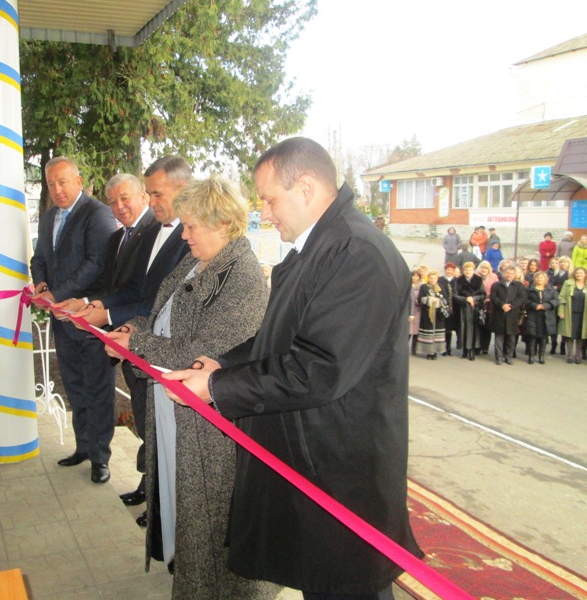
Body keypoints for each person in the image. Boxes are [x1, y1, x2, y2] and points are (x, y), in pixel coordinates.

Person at [163, 137, 422, 599]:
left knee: (346, 589)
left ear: (305, 188)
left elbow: (317, 368)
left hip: (340, 475)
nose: (264, 213)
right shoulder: (321, 246)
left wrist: (218, 387)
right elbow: (279, 338)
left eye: (269, 199)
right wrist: (224, 363)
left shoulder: (357, 253)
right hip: (314, 462)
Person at [105, 176, 274, 599]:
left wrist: (135, 346)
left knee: (211, 527)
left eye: (191, 226)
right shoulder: (197, 261)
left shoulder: (243, 278)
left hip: (209, 431)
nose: (184, 235)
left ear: (222, 223)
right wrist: (133, 329)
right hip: (176, 413)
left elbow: (201, 353)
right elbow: (161, 317)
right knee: (187, 513)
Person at [65, 158, 192, 513]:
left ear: (183, 189)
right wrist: (97, 305)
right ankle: (151, 489)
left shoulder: (193, 237)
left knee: (168, 433)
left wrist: (107, 315)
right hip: (136, 346)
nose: (151, 202)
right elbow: (134, 288)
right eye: (149, 193)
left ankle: (163, 506)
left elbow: (165, 300)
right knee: (146, 422)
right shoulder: (149, 232)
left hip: (168, 353)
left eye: (156, 193)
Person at [30, 157, 117, 483]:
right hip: (61, 321)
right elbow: (39, 257)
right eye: (51, 184)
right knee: (75, 387)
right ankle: (83, 447)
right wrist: (41, 284)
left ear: (79, 182)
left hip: (90, 318)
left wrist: (58, 293)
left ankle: (100, 458)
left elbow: (96, 264)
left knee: (98, 390)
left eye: (63, 182)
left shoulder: (97, 213)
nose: (57, 189)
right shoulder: (48, 217)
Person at [489, 263, 526, 365]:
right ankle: (499, 357)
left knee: (511, 337)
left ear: (515, 275)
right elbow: (493, 297)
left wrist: (511, 306)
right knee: (499, 337)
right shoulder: (496, 285)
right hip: (499, 313)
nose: (509, 275)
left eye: (512, 273)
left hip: (513, 314)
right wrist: (502, 305)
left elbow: (521, 298)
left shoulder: (519, 285)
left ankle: (508, 356)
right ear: (504, 273)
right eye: (508, 273)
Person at [524, 271, 559, 364]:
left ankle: (541, 356)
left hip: (546, 316)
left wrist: (546, 305)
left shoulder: (551, 289)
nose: (539, 279)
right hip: (532, 315)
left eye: (541, 278)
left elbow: (556, 300)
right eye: (537, 277)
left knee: (543, 337)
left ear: (545, 279)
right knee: (532, 336)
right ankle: (531, 356)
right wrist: (534, 305)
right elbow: (525, 300)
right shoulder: (529, 289)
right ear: (534, 279)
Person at [453, 261, 485, 360]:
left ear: (473, 270)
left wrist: (473, 299)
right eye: (466, 270)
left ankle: (472, 350)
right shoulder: (459, 281)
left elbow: (483, 295)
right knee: (463, 328)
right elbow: (455, 295)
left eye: (470, 270)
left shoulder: (478, 280)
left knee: (473, 329)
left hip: (475, 308)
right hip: (463, 308)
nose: (468, 272)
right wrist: (465, 299)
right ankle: (464, 350)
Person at [557, 266, 587, 364]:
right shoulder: (568, 283)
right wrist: (561, 311)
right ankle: (570, 355)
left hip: (584, 314)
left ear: (585, 274)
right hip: (570, 313)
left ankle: (578, 355)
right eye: (577, 273)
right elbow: (561, 297)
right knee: (569, 334)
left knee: (581, 334)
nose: (579, 275)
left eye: (581, 273)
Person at [418, 270, 447, 360]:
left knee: (437, 333)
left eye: (434, 278)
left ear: (437, 279)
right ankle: (429, 352)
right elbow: (419, 299)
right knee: (429, 333)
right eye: (431, 278)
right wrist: (429, 299)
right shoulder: (424, 287)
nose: (432, 280)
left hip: (438, 314)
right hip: (427, 314)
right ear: (428, 278)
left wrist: (438, 300)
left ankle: (435, 351)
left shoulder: (441, 287)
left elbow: (446, 299)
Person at [551, 256, 572, 355]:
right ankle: (553, 343)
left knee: (563, 324)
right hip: (555, 300)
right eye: (561, 262)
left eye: (565, 262)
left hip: (564, 302)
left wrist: (557, 287)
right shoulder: (555, 274)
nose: (563, 264)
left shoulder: (570, 275)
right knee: (554, 323)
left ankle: (563, 344)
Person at [477, 261, 499, 354]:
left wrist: (489, 298)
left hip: (490, 304)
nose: (484, 270)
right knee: (478, 326)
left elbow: (497, 289)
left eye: (486, 268)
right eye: (482, 268)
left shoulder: (493, 276)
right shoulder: (476, 276)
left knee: (487, 326)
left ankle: (485, 347)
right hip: (478, 303)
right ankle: (477, 346)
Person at [439, 262, 459, 355]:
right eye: (448, 270)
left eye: (451, 270)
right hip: (444, 308)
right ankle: (443, 348)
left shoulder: (457, 281)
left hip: (454, 308)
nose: (449, 271)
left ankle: (449, 347)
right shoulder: (440, 280)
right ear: (445, 270)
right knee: (444, 329)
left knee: (450, 329)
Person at [408, 270, 422, 355]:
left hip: (418, 311)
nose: (415, 278)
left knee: (416, 332)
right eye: (413, 276)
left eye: (417, 276)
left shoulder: (421, 286)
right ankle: (404, 348)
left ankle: (414, 349)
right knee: (408, 331)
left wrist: (419, 301)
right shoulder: (408, 285)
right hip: (410, 310)